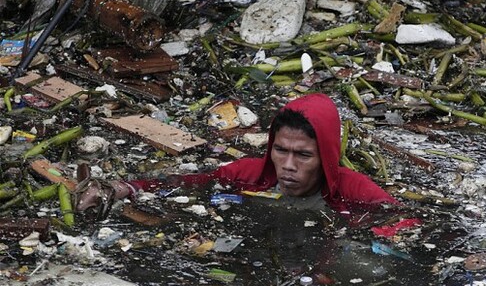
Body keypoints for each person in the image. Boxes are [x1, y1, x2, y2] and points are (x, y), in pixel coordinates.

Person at [76, 93, 399, 216]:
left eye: (302, 155)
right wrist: (120, 188)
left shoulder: (353, 191)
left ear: (326, 157)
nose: (287, 166)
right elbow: (192, 181)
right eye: (280, 150)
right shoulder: (252, 175)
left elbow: (402, 220)